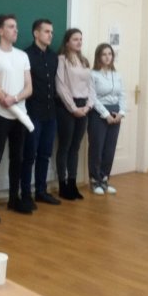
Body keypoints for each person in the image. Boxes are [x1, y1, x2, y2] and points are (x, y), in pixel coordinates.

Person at [0, 14, 33, 223]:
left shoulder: (22, 56)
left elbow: (29, 87)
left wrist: (15, 99)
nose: (16, 30)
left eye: (16, 27)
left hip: (19, 116)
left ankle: (14, 199)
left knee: (17, 158)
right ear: (0, 31)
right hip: (0, 115)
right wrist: (7, 100)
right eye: (11, 27)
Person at [20, 19, 61, 209]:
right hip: (32, 113)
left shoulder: (53, 56)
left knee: (45, 154)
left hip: (50, 113)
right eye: (46, 31)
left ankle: (41, 191)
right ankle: (25, 194)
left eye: (52, 32)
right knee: (29, 155)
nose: (50, 35)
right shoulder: (25, 55)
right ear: (36, 33)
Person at [55, 28, 95, 200]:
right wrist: (73, 108)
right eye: (75, 39)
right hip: (67, 107)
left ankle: (72, 183)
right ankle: (63, 185)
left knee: (75, 147)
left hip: (83, 106)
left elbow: (91, 86)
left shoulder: (84, 61)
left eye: (81, 39)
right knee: (65, 146)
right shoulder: (62, 60)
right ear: (67, 42)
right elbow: (61, 86)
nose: (79, 42)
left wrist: (88, 106)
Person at [88, 43, 126, 195]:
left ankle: (104, 179)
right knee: (97, 148)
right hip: (99, 113)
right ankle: (94, 181)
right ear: (98, 56)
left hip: (116, 113)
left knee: (110, 149)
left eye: (110, 54)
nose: (107, 57)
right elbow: (92, 97)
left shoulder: (117, 75)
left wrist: (121, 113)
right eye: (104, 54)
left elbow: (122, 95)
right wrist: (106, 114)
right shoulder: (93, 74)